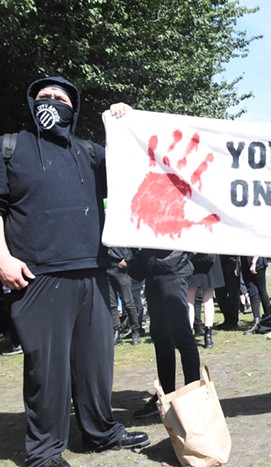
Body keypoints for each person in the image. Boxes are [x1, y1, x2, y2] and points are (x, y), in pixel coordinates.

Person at [0, 77, 148, 466]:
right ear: (32, 104)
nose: (51, 102)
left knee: (96, 363)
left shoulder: (89, 152)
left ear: (73, 107)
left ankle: (100, 432)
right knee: (46, 370)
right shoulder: (10, 148)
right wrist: (2, 257)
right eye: (43, 96)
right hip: (38, 276)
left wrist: (126, 122)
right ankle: (45, 452)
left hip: (93, 273)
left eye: (60, 97)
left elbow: (135, 165)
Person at [130, 249, 201, 418]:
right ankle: (166, 395)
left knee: (182, 336)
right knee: (161, 338)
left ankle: (194, 396)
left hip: (174, 268)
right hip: (152, 270)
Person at [187, 253, 224, 348]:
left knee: (189, 299)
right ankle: (208, 338)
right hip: (210, 259)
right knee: (208, 298)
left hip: (194, 259)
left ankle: (188, 336)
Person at [106, 246, 141, 345]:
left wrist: (127, 260)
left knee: (128, 302)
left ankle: (136, 331)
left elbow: (134, 247)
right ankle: (116, 332)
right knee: (112, 304)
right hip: (107, 266)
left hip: (120, 268)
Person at [241, 256, 271, 334]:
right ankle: (256, 321)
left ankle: (269, 319)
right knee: (252, 292)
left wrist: (253, 262)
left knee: (262, 291)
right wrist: (238, 265)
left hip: (257, 261)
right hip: (244, 261)